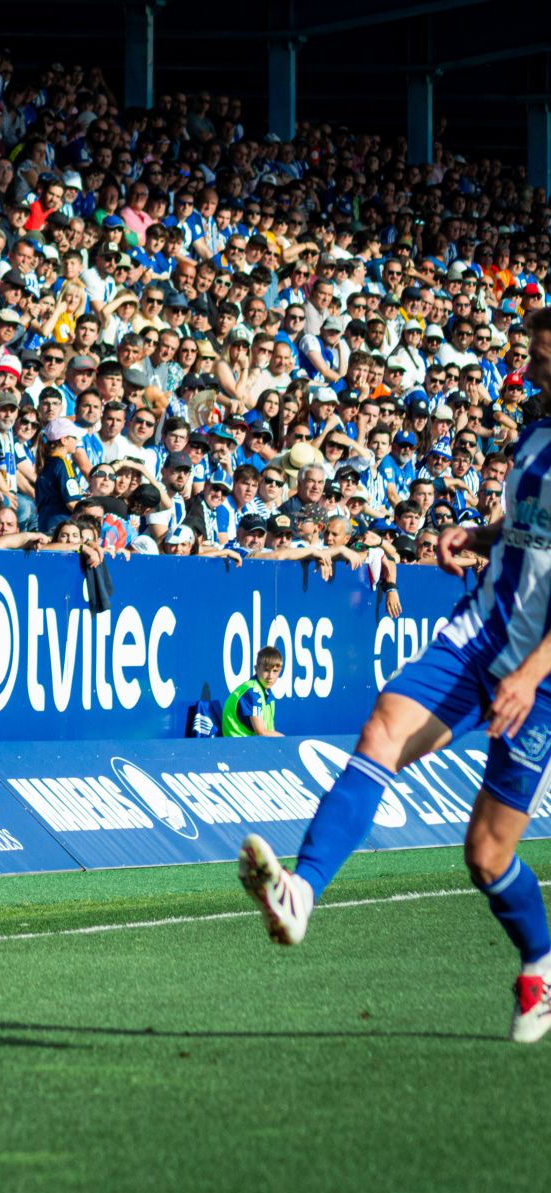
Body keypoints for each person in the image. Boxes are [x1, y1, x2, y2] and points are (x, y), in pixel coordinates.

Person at [238, 308, 551, 1044]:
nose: (531, 368)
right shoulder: (536, 432)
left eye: (542, 356)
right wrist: (482, 533)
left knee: (487, 855)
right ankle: (301, 893)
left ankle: (540, 960)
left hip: (540, 673)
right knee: (383, 722)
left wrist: (532, 676)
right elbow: (532, 520)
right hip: (481, 634)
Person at [222, 645, 284, 738]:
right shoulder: (252, 692)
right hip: (236, 745)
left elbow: (270, 732)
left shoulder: (267, 693)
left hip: (251, 745)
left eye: (275, 671)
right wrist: (286, 740)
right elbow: (261, 732)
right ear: (256, 669)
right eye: (266, 670)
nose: (270, 676)